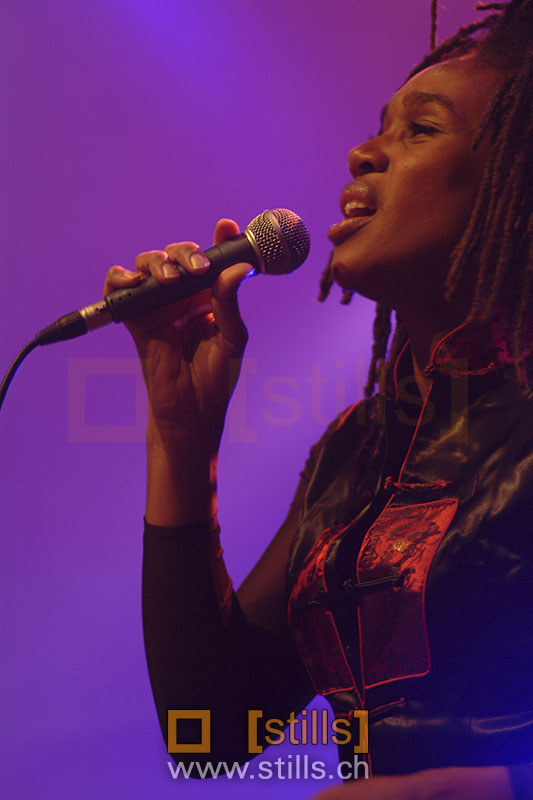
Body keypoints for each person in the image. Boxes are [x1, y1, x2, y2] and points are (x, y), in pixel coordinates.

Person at [103, 1, 533, 797]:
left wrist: (486, 787)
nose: (362, 153)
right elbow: (212, 734)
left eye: (420, 129)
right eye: (377, 129)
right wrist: (180, 438)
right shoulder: (357, 449)